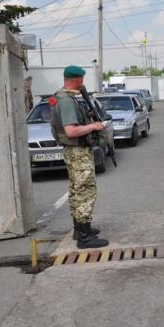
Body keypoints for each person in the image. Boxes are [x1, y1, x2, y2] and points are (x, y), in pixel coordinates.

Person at [50, 65, 109, 249]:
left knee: (76, 190)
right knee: (85, 191)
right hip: (77, 151)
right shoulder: (67, 101)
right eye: (81, 80)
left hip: (72, 151)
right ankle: (84, 238)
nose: (82, 83)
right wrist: (94, 127)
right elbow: (71, 130)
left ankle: (80, 229)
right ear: (77, 80)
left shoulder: (58, 96)